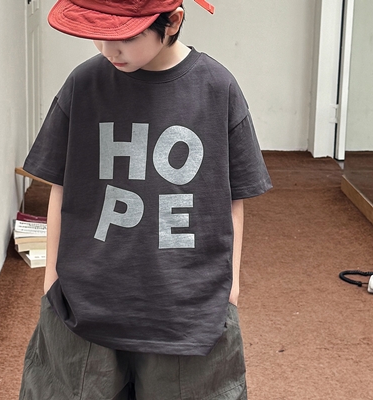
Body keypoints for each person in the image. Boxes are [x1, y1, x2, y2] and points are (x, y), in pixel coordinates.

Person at [19, 0, 272, 399]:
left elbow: (232, 197)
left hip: (187, 308)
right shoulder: (84, 84)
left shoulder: (217, 88)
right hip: (86, 298)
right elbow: (61, 185)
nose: (109, 49)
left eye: (126, 36)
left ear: (172, 22)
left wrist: (231, 285)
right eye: (99, 35)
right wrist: (52, 277)